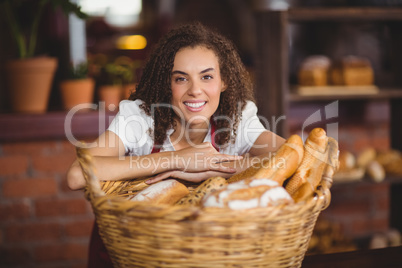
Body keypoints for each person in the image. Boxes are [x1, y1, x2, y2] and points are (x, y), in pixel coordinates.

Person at [67, 22, 285, 267]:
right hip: (129, 251)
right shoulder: (140, 117)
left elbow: (294, 155)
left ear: (224, 81)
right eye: (181, 78)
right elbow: (77, 175)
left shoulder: (238, 118)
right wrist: (177, 160)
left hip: (204, 255)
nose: (195, 90)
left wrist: (218, 166)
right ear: (166, 83)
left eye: (207, 76)